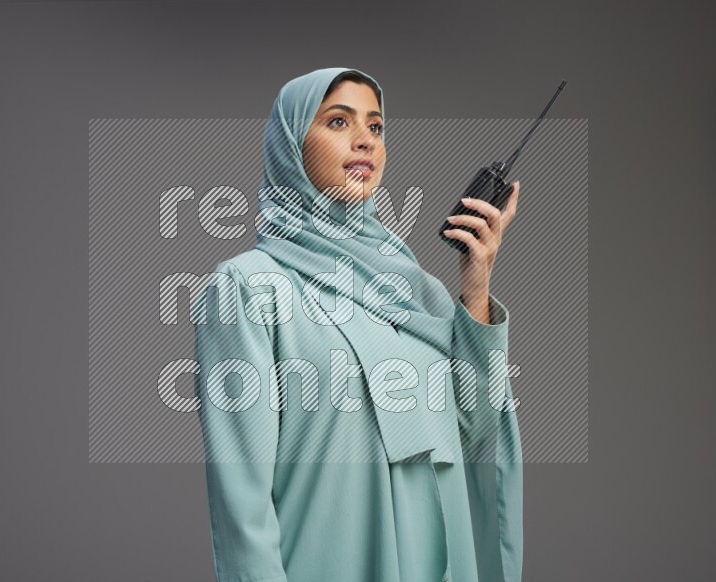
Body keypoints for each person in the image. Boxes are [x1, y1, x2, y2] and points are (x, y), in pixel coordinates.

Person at [194, 67, 523, 582]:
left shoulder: (422, 293)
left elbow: (475, 434)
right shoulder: (248, 287)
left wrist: (476, 288)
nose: (365, 141)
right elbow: (242, 501)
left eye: (376, 127)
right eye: (338, 121)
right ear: (291, 146)